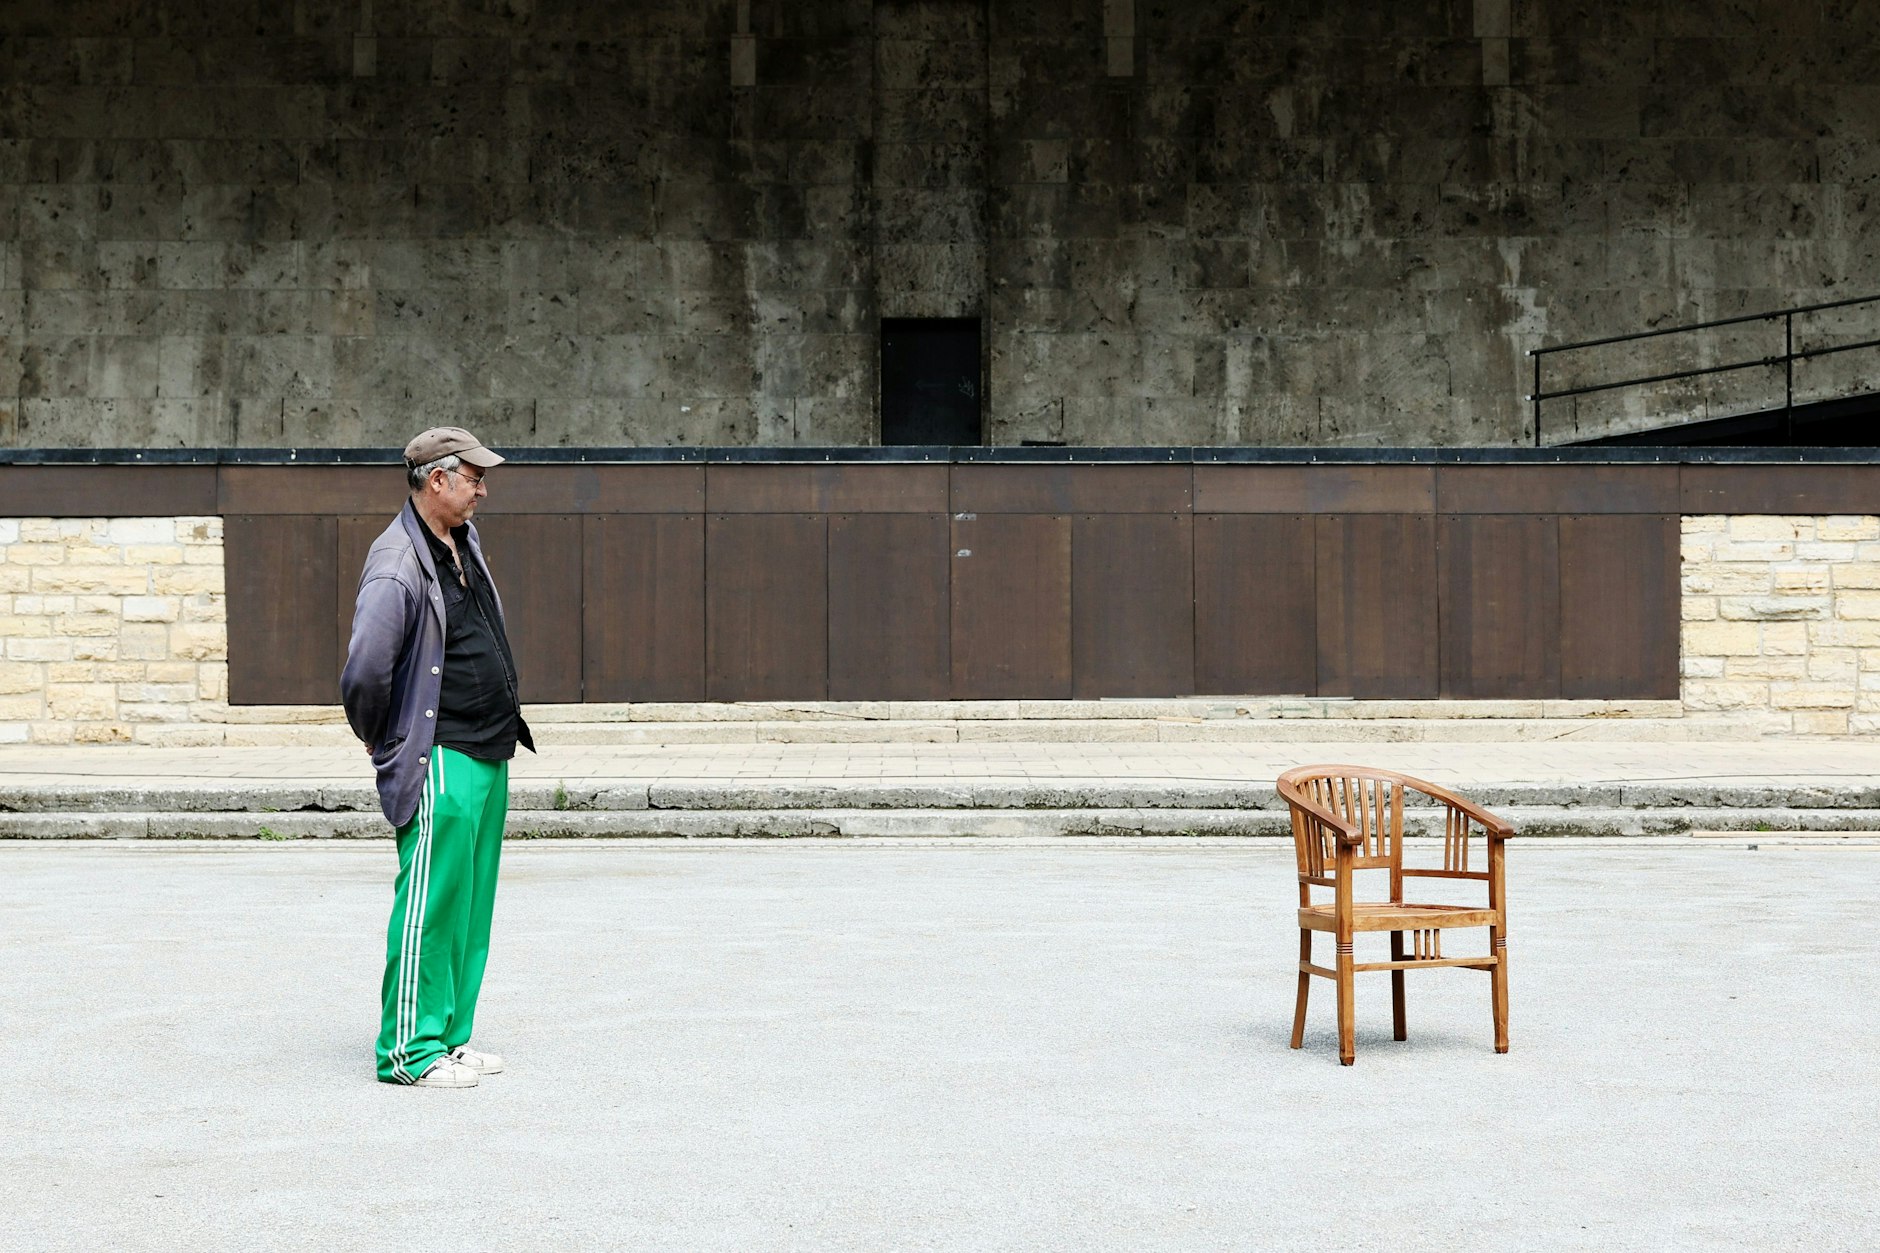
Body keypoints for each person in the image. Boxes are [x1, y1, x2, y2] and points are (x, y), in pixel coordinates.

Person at [340, 427, 534, 1089]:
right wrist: (384, 739)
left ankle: (448, 1035)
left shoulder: (463, 541)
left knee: (468, 903)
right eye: (474, 476)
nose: (483, 488)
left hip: (487, 746)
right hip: (440, 752)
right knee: (429, 901)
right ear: (435, 479)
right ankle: (408, 1051)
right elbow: (365, 669)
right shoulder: (396, 561)